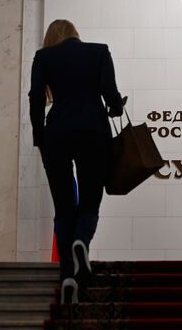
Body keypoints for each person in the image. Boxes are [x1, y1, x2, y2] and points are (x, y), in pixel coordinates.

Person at [28, 19, 124, 304]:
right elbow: (110, 93)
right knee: (90, 201)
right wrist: (116, 108)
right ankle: (82, 240)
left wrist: (39, 137)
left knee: (64, 208)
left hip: (56, 135)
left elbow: (36, 99)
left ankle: (69, 274)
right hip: (94, 133)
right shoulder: (99, 52)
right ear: (75, 34)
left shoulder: (44, 57)